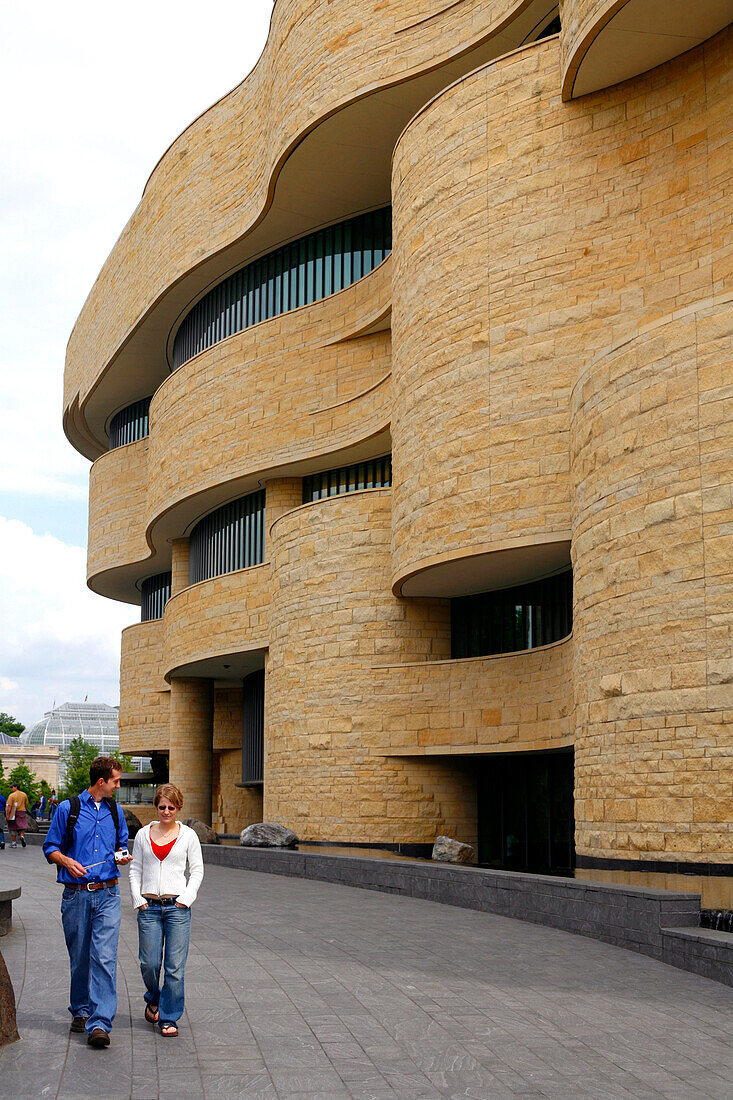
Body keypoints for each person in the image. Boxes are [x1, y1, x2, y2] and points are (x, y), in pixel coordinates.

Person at [42, 756, 132, 1048]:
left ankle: (100, 1023)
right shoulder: (68, 809)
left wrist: (123, 856)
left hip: (108, 894)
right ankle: (80, 1010)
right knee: (80, 958)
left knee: (104, 957)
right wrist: (66, 861)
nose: (119, 786)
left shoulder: (117, 812)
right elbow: (50, 847)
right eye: (116, 781)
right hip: (76, 894)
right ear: (101, 781)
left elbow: (121, 846)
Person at [129, 784, 203, 1037]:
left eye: (171, 807)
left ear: (178, 808)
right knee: (149, 963)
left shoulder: (189, 836)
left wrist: (186, 898)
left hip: (177, 910)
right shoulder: (142, 834)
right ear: (156, 807)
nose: (166, 812)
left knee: (174, 968)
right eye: (162, 807)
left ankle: (169, 1017)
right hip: (149, 908)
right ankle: (153, 997)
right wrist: (137, 898)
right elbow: (135, 869)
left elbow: (197, 871)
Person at [5, 783, 29, 849]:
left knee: (12, 827)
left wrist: (7, 815)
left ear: (15, 787)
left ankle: (14, 843)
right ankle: (22, 836)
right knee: (22, 827)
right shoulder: (24, 794)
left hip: (14, 812)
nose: (11, 789)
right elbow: (26, 804)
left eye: (12, 787)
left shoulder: (12, 795)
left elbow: (9, 806)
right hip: (22, 812)